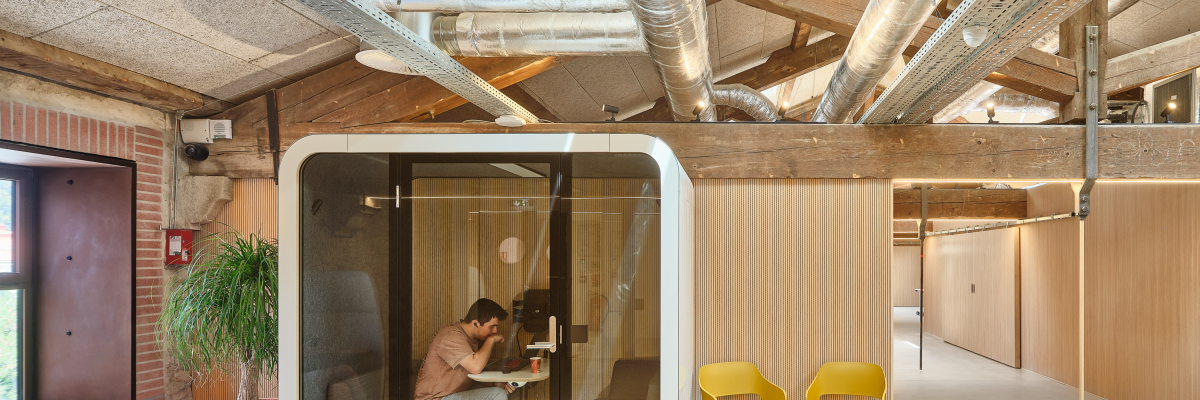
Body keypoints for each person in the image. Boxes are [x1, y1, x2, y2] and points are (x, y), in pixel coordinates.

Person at [414, 298, 515, 400]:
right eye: (492, 326)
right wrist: (491, 340)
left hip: (453, 395)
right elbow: (476, 368)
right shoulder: (451, 335)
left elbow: (472, 377)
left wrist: (496, 383)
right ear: (475, 323)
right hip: (434, 398)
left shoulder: (474, 339)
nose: (495, 331)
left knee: (499, 390)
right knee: (498, 394)